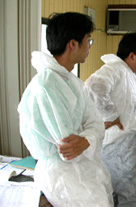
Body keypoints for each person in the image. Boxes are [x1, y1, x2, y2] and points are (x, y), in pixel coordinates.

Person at [17, 12, 113, 207]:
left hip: (83, 170)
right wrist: (87, 138)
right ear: (73, 44)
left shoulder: (72, 82)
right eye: (88, 40)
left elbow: (95, 122)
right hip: (63, 176)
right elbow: (68, 146)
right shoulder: (46, 85)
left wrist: (86, 139)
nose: (89, 46)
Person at [84, 31, 136, 207]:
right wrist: (111, 116)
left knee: (123, 197)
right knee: (131, 198)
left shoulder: (125, 72)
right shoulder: (115, 68)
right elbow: (94, 86)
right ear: (132, 56)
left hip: (126, 148)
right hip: (122, 148)